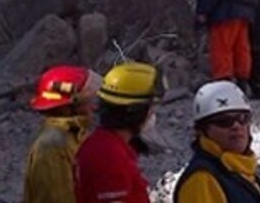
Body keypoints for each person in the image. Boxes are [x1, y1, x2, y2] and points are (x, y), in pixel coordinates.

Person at [173, 81, 260, 203]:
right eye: (223, 121)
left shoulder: (240, 171)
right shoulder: (202, 180)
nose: (236, 126)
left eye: (243, 118)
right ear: (202, 130)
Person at [76, 61, 161, 203]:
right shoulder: (108, 156)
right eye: (150, 107)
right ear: (135, 112)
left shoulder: (109, 147)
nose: (152, 113)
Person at [24, 65, 101, 203]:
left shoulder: (74, 136)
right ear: (72, 104)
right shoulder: (53, 146)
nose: (93, 107)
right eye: (88, 101)